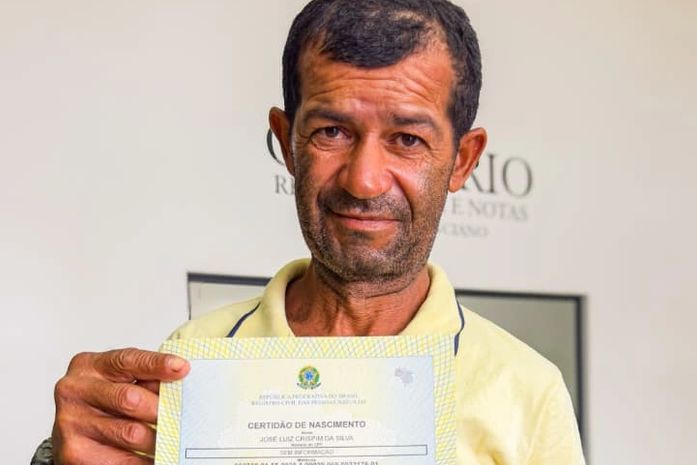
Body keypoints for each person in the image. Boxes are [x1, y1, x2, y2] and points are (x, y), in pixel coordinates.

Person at [33, 1, 586, 464]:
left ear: (462, 160)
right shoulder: (193, 358)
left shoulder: (527, 391)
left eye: (407, 139)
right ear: (287, 142)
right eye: (332, 131)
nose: (365, 180)